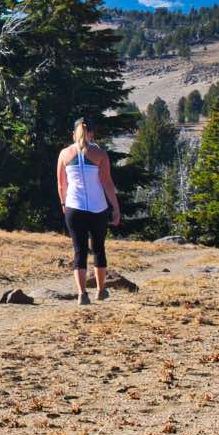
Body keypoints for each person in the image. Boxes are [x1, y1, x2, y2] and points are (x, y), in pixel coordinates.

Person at [56, 115, 121, 305]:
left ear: (73, 134)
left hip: (73, 207)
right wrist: (116, 207)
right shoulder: (100, 154)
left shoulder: (64, 154)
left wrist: (64, 205)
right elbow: (107, 183)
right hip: (98, 207)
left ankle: (81, 294)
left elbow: (61, 185)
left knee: (79, 251)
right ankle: (100, 290)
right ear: (91, 134)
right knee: (99, 248)